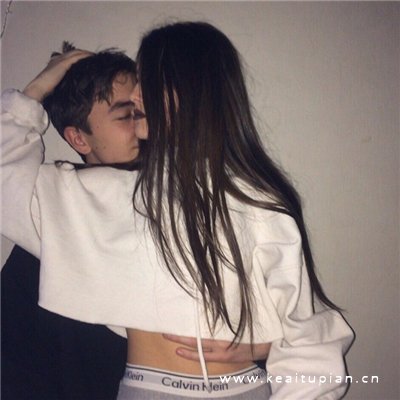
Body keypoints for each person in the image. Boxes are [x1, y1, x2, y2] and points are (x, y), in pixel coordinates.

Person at [1, 22, 353, 399]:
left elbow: (310, 340)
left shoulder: (257, 201)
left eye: (148, 80)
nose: (135, 94)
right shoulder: (94, 193)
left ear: (192, 90)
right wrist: (37, 89)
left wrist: (270, 345)